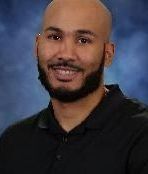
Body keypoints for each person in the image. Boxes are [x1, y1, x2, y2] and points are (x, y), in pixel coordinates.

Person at [0, 0, 148, 173]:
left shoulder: (141, 135)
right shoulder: (13, 141)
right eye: (55, 37)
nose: (66, 54)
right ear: (37, 45)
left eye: (83, 40)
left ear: (108, 54)